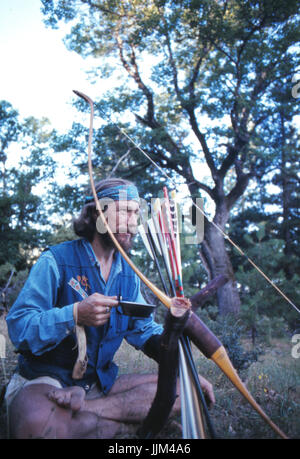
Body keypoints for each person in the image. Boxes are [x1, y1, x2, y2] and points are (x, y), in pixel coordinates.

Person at [5, 178, 214, 439]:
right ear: (97, 213)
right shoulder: (56, 260)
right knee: (34, 426)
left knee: (188, 388)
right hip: (45, 380)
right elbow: (19, 328)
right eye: (125, 211)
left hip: (97, 384)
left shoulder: (130, 274)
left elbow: (144, 331)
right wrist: (74, 314)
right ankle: (129, 426)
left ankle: (84, 411)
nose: (133, 221)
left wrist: (177, 353)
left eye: (137, 213)